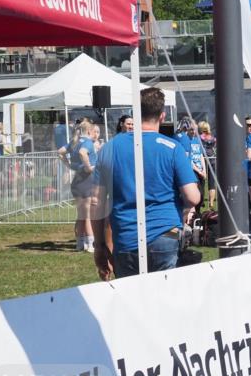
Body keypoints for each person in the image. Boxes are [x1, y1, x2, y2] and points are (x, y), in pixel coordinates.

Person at [91, 87, 200, 280]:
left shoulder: (109, 149)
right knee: (164, 300)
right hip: (165, 234)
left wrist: (99, 245)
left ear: (135, 113)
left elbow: (96, 202)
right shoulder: (173, 147)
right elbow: (192, 197)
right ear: (163, 116)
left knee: (132, 303)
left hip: (126, 237)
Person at [59, 119, 99, 251]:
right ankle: (90, 244)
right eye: (94, 131)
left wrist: (69, 165)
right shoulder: (87, 142)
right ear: (89, 131)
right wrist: (88, 167)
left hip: (77, 180)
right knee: (88, 215)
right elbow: (83, 153)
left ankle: (79, 243)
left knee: (81, 214)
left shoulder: (74, 141)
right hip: (86, 179)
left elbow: (60, 151)